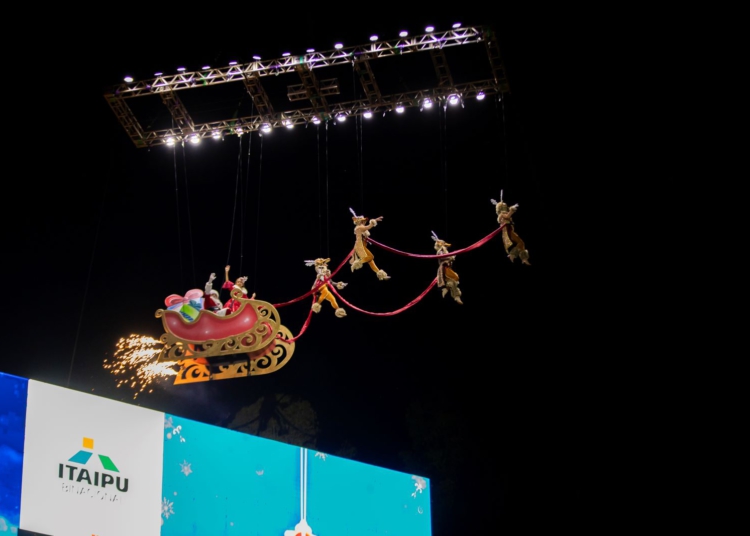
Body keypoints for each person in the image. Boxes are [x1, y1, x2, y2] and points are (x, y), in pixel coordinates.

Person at [349, 208, 390, 280]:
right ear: (359, 222)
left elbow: (366, 231)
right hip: (360, 246)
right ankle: (356, 263)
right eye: (363, 221)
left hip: (363, 246)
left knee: (371, 261)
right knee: (371, 257)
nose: (364, 222)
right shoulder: (359, 228)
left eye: (364, 221)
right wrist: (375, 220)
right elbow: (369, 226)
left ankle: (381, 274)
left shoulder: (361, 228)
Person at [491, 193, 530, 265]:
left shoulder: (504, 213)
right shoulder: (501, 215)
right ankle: (513, 255)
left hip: (510, 229)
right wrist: (511, 211)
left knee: (521, 243)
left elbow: (508, 216)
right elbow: (507, 216)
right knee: (520, 242)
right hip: (508, 230)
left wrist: (511, 210)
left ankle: (523, 258)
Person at [431, 231, 463, 304]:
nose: (446, 245)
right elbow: (442, 257)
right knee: (455, 277)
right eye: (444, 244)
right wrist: (450, 258)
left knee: (452, 281)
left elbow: (447, 257)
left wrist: (451, 257)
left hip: (447, 267)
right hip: (444, 268)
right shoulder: (441, 250)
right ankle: (453, 294)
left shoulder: (444, 249)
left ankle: (451, 292)